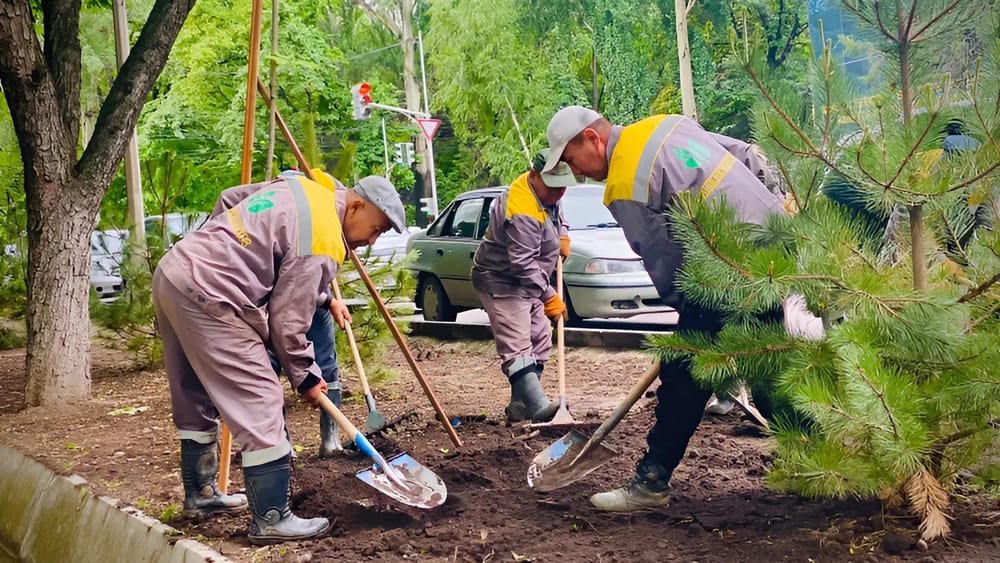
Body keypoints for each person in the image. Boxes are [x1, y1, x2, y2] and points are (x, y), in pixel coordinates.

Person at [543, 106, 786, 511]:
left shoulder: (624, 181)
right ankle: (825, 462)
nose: (579, 174)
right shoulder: (665, 124)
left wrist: (687, 317)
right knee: (771, 370)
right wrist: (772, 208)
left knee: (683, 373)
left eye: (572, 161)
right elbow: (744, 154)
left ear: (592, 139)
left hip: (727, 267)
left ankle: (651, 482)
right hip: (772, 245)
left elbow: (662, 258)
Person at [152, 172, 405, 544]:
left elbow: (229, 198)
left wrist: (225, 252)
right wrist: (305, 375)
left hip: (176, 272)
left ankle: (201, 495)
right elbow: (288, 323)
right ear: (356, 206)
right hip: (213, 295)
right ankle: (271, 517)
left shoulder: (303, 189)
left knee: (194, 393)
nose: (371, 240)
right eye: (376, 228)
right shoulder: (323, 238)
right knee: (261, 397)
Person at [211, 169, 347, 459]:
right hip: (273, 304)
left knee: (326, 364)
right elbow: (287, 287)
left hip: (309, 302)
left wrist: (329, 300)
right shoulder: (281, 198)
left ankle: (329, 442)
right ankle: (280, 446)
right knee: (268, 371)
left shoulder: (328, 195)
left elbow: (306, 276)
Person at [471, 149, 576, 422]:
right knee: (517, 341)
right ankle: (536, 405)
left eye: (562, 187)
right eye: (553, 187)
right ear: (534, 176)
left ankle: (520, 405)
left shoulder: (548, 191)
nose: (558, 193)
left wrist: (562, 233)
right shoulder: (521, 210)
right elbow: (521, 263)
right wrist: (550, 295)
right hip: (501, 278)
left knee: (540, 336)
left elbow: (556, 209)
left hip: (526, 280)